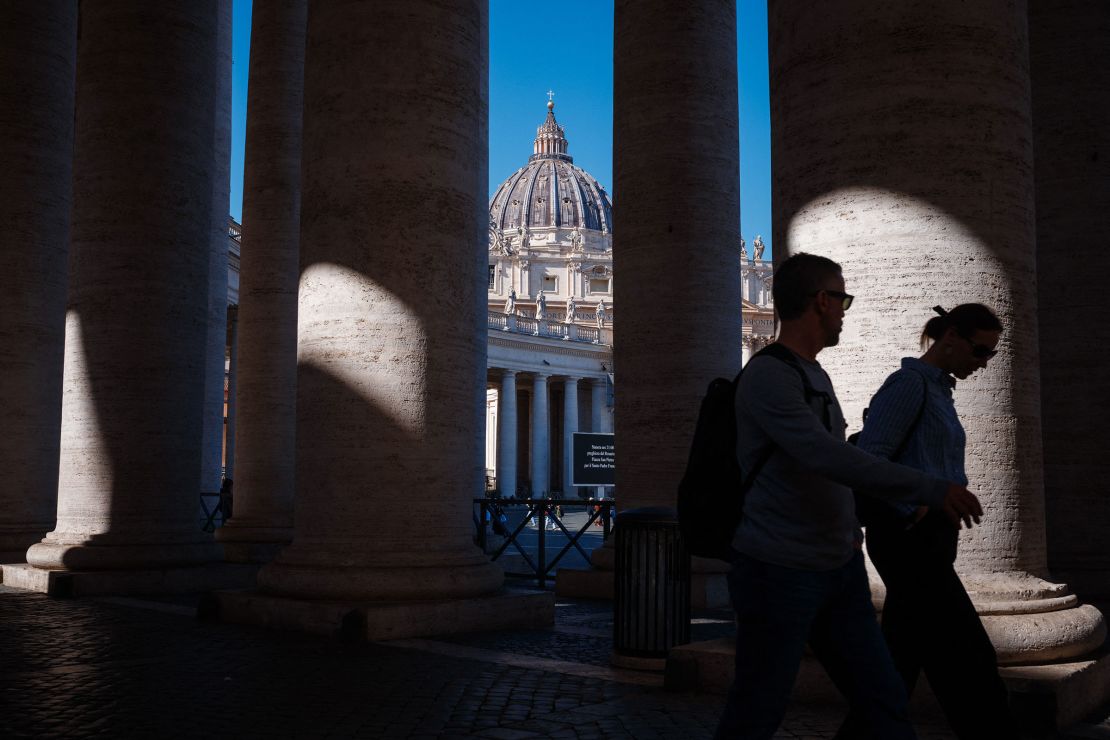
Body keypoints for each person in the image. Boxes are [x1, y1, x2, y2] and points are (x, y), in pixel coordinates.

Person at [715, 253, 983, 740]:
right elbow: (827, 457)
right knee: (758, 707)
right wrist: (928, 487)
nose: (845, 310)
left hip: (837, 566)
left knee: (883, 701)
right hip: (779, 568)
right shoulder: (769, 375)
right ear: (821, 301)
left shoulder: (813, 372)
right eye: (842, 298)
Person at [839, 304, 1017, 739]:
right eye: (980, 351)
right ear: (950, 337)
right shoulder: (909, 384)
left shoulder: (939, 390)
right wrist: (916, 504)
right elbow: (869, 460)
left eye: (991, 355)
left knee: (898, 662)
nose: (983, 363)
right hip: (908, 539)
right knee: (969, 659)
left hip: (931, 539)